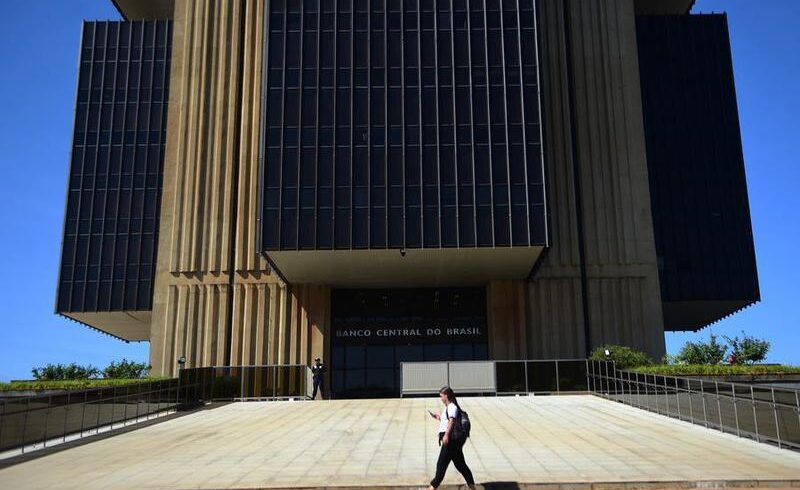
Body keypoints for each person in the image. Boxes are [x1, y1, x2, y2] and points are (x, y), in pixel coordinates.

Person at [426, 386, 475, 490]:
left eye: (441, 396)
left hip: (451, 441)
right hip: (453, 442)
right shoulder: (449, 407)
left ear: (446, 396)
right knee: (461, 465)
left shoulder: (452, 407)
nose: (441, 398)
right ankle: (472, 487)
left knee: (441, 465)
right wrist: (438, 417)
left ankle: (431, 488)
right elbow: (448, 421)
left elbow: (452, 422)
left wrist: (446, 435)